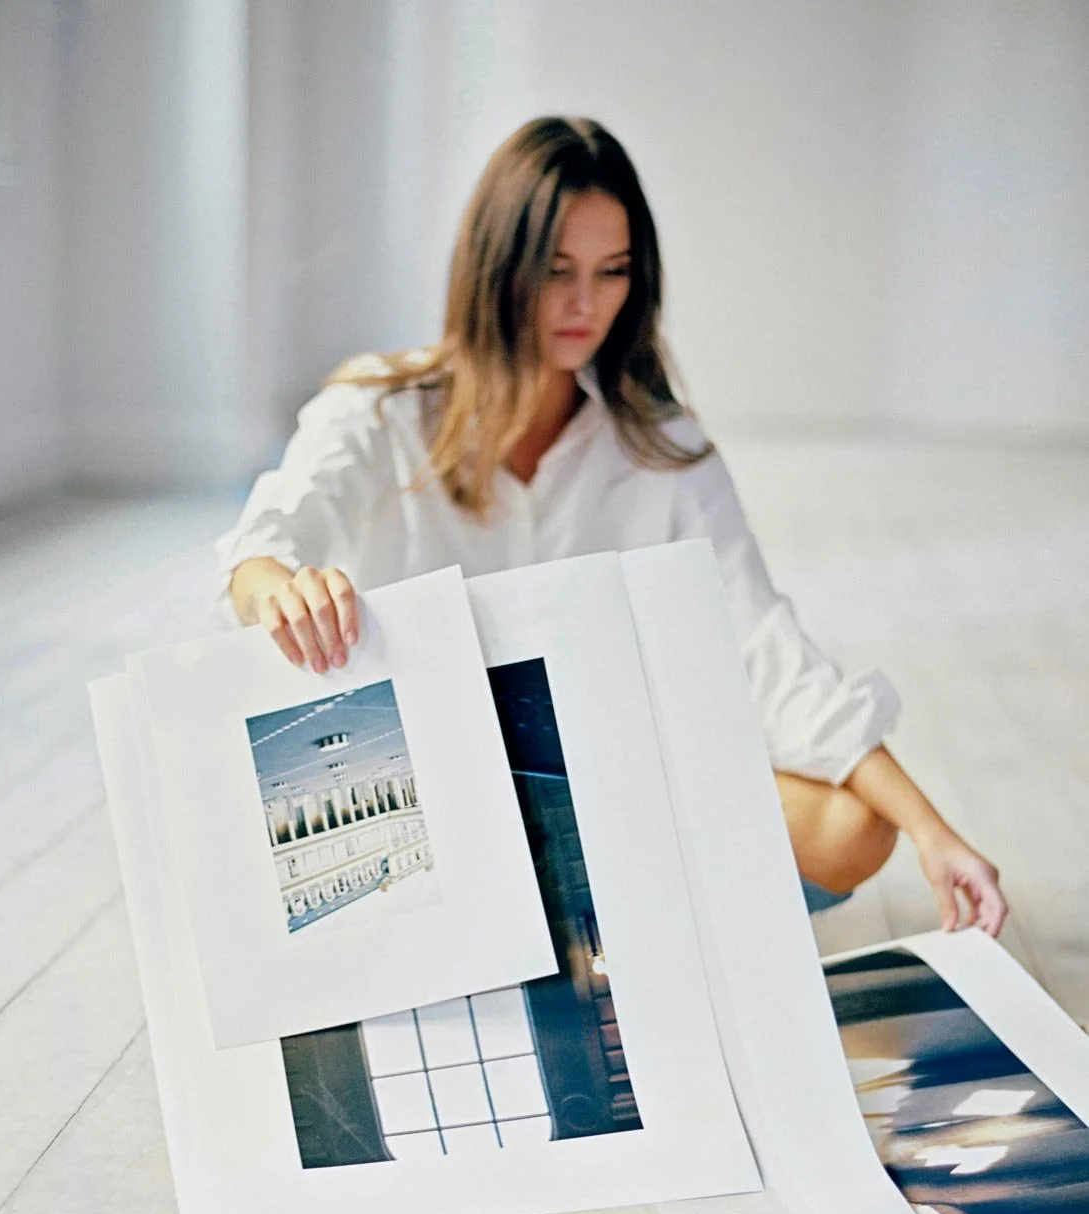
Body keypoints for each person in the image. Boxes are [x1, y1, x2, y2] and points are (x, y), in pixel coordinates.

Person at [219, 115, 1007, 937]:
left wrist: (932, 831)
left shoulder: (660, 444)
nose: (585, 305)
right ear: (496, 267)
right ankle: (560, 927)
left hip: (602, 790)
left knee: (852, 828)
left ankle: (587, 922)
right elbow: (261, 547)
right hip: (424, 791)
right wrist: (280, 588)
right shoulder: (379, 409)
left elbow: (762, 644)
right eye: (556, 271)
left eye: (613, 271)